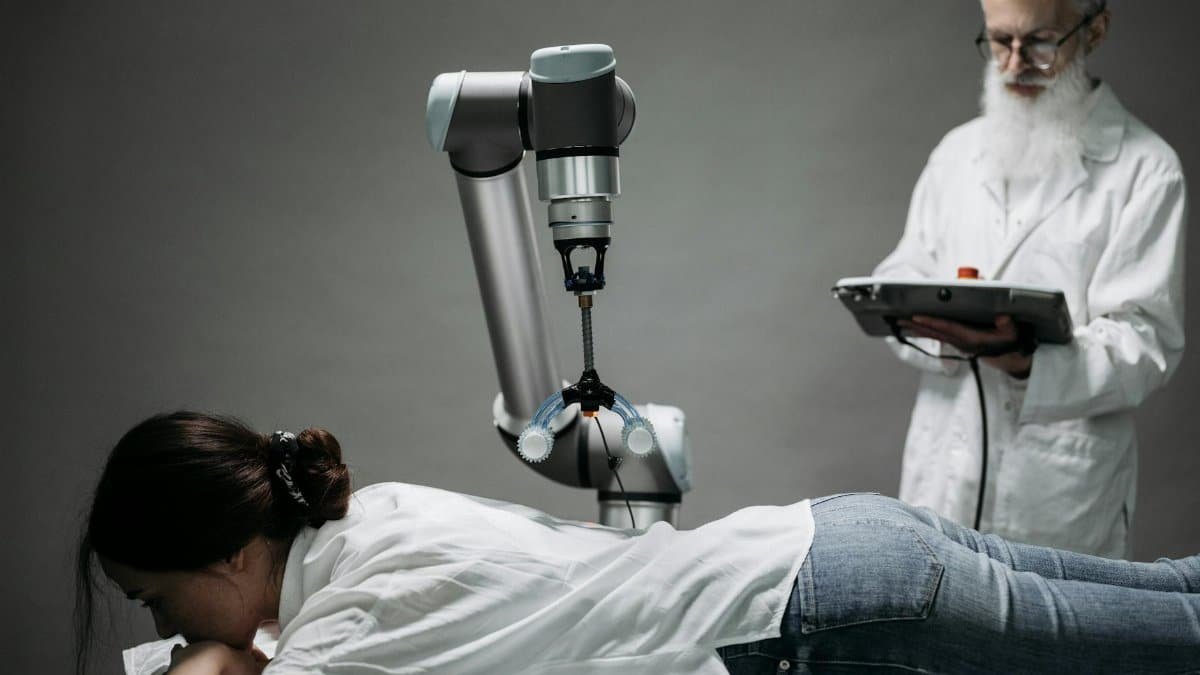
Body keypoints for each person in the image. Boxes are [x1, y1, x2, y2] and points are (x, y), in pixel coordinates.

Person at [76, 412, 1200, 674]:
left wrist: (211, 660)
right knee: (1177, 594)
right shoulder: (367, 521)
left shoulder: (343, 638)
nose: (167, 628)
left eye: (156, 600)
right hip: (846, 539)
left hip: (829, 620)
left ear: (226, 556)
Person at [874, 0, 1187, 558]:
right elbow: (905, 271)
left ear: (1095, 30)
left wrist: (1026, 361)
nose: (1015, 63)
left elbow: (1146, 342)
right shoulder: (956, 154)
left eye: (1040, 42)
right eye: (1000, 41)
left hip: (1060, 492)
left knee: (1051, 612)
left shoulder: (1146, 169)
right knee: (931, 603)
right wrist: (934, 324)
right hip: (943, 471)